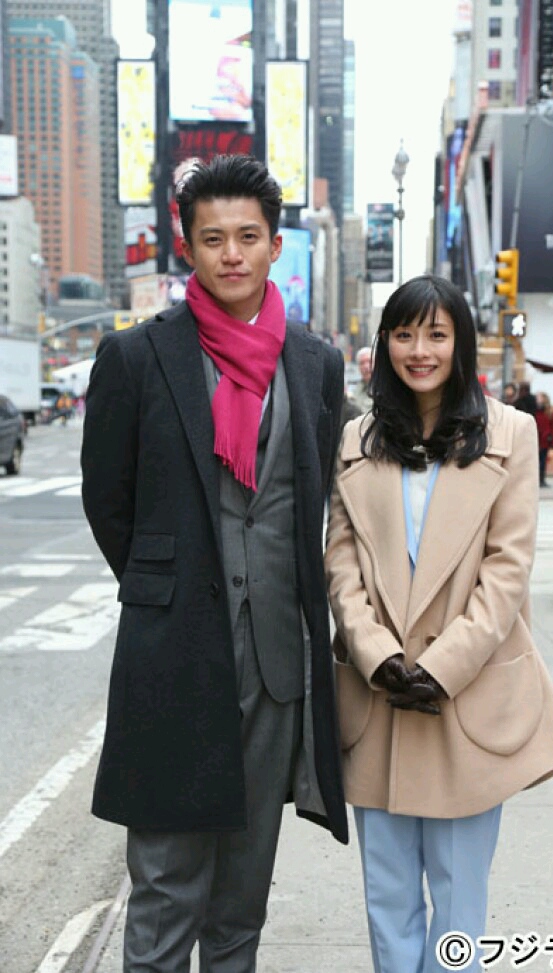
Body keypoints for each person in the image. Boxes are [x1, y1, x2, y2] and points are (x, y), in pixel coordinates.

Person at [81, 154, 348, 973]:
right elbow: (108, 500)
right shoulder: (136, 357)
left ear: (275, 245)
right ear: (187, 247)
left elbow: (310, 492)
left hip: (275, 664)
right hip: (173, 654)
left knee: (241, 896)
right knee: (166, 887)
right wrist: (168, 587)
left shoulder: (315, 363)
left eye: (248, 237)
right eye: (213, 239)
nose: (232, 253)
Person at [325, 274, 553, 973]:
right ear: (384, 344)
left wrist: (442, 667)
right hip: (378, 698)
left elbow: (508, 570)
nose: (420, 350)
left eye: (436, 334)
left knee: (460, 900)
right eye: (405, 334)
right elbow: (340, 564)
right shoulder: (356, 439)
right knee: (387, 900)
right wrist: (375, 653)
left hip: (466, 698)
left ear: (461, 342)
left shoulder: (511, 432)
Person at [535, 390, 553, 488]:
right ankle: (536, 480)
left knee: (543, 461)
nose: (537, 399)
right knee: (535, 461)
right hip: (536, 439)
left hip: (545, 440)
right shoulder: (535, 410)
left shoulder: (550, 412)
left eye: (540, 397)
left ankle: (542, 479)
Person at [351, 345, 373, 413]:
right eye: (362, 363)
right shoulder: (356, 389)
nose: (366, 366)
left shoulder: (383, 389)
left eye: (370, 361)